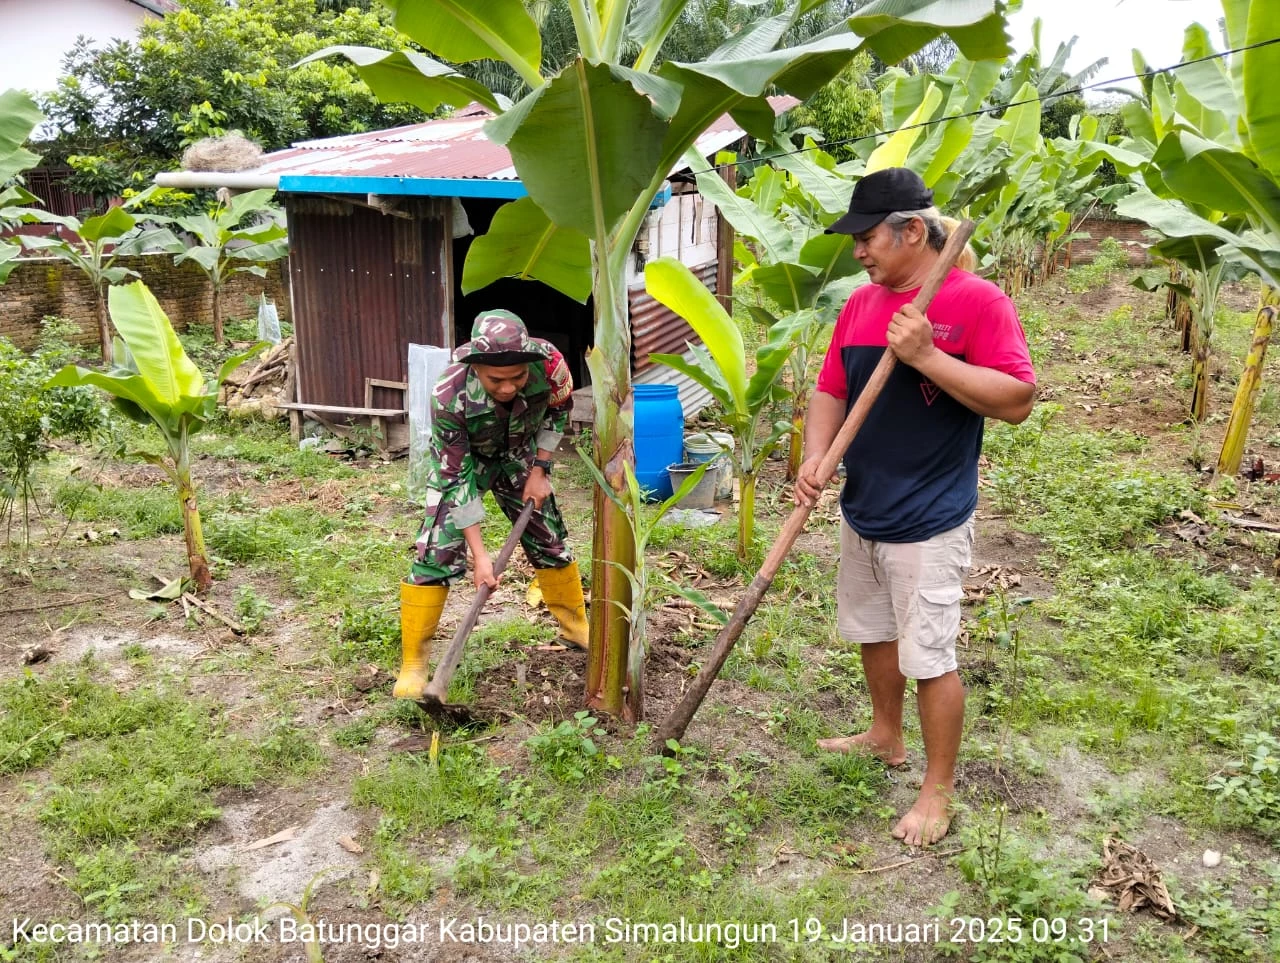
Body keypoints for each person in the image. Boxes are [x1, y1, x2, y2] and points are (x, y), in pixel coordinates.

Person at [794, 167, 1036, 847]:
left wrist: (928, 355)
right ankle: (883, 734)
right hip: (863, 503)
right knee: (874, 630)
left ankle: (937, 789)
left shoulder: (977, 302)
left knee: (929, 654)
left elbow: (1017, 400)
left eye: (866, 238)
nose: (858, 252)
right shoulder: (859, 305)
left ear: (909, 230)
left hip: (930, 515)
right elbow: (829, 387)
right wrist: (817, 456)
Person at [393, 310, 589, 700]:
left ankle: (576, 628)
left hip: (520, 456)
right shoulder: (449, 394)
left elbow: (558, 410)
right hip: (469, 464)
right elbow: (456, 477)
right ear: (475, 366)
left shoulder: (549, 365)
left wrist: (541, 468)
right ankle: (414, 664)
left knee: (549, 538)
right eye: (496, 380)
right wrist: (481, 556)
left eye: (517, 378)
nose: (508, 387)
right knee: (437, 552)